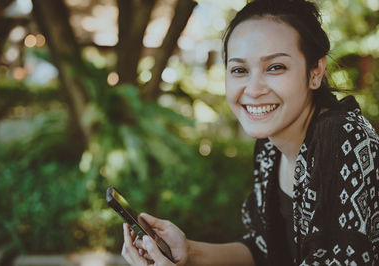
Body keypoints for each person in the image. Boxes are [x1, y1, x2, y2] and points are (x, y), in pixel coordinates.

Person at [121, 0, 379, 264]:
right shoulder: (269, 148)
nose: (254, 90)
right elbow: (262, 249)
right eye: (239, 70)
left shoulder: (346, 141)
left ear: (316, 72)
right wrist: (188, 251)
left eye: (275, 67)